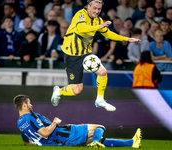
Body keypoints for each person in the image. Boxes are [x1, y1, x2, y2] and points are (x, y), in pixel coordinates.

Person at [51, 0, 141, 112]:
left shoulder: (97, 20)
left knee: (103, 72)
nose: (97, 11)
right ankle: (58, 92)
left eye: (99, 9)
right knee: (77, 90)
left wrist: (127, 39)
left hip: (86, 53)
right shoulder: (80, 14)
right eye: (95, 8)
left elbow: (107, 33)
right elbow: (81, 28)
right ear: (88, 6)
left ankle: (100, 100)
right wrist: (99, 27)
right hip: (72, 55)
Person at [14, 94, 142, 148]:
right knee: (99, 127)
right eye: (29, 103)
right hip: (64, 134)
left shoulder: (20, 124)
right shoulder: (32, 116)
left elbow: (27, 142)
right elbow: (45, 133)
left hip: (58, 142)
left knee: (98, 139)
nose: (31, 105)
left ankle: (131, 143)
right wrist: (54, 122)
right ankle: (96, 143)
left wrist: (42, 143)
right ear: (24, 105)